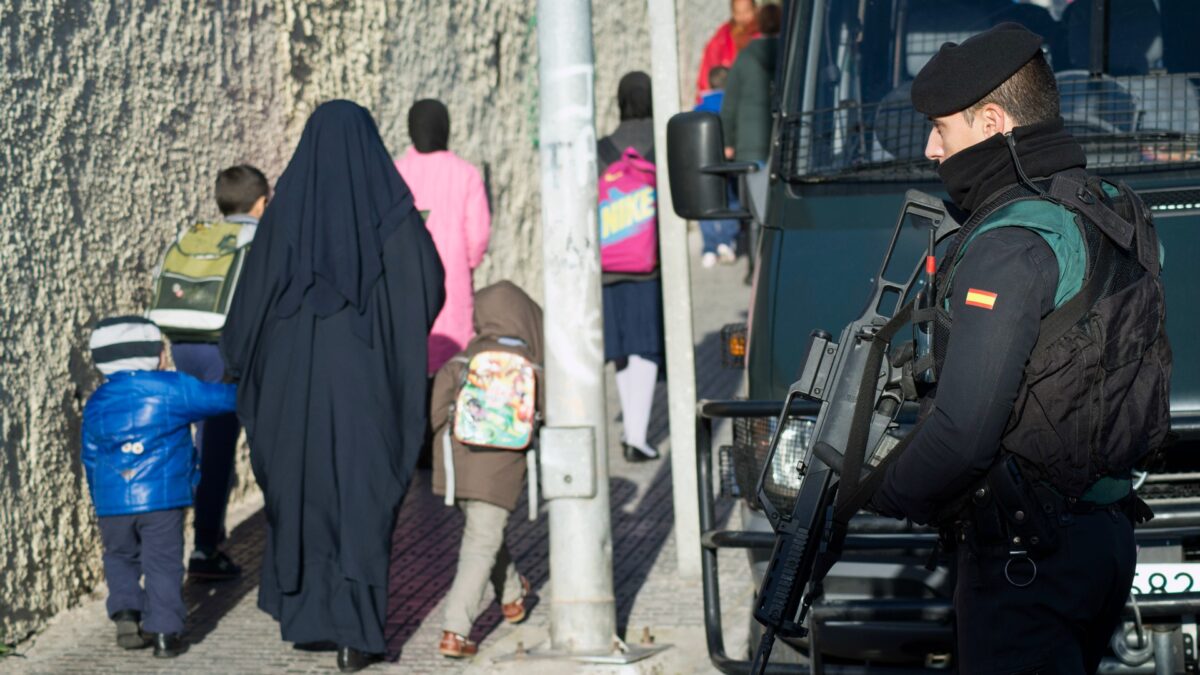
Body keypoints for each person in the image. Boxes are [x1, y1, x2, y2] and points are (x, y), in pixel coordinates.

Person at [868, 24, 1171, 674]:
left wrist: (874, 489)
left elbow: (963, 433)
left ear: (992, 121)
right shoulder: (1108, 208)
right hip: (1105, 541)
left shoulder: (1009, 242)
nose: (929, 148)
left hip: (1028, 559)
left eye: (941, 130)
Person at [220, 100, 445, 673]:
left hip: (293, 396)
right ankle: (355, 633)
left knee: (305, 497)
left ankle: (311, 620)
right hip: (367, 390)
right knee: (362, 500)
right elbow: (430, 288)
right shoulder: (393, 218)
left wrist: (252, 367)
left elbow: (246, 313)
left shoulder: (283, 217)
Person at [82, 316, 237, 658]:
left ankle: (125, 611)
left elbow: (90, 455)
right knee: (162, 563)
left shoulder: (97, 401)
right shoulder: (173, 388)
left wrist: (99, 496)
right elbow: (223, 399)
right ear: (153, 355)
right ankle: (165, 632)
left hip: (112, 503)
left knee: (119, 556)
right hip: (162, 499)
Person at [429, 281, 541, 658]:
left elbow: (436, 410)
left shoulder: (462, 361)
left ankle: (512, 598)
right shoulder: (532, 367)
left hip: (457, 469)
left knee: (485, 534)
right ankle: (455, 631)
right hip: (501, 471)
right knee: (481, 543)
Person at [171, 164, 269, 582]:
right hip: (223, 353)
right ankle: (205, 547)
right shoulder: (258, 239)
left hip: (184, 344)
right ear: (262, 202)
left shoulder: (200, 235)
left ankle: (195, 530)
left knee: (200, 442)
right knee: (219, 447)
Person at [395, 99, 492, 376]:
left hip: (404, 286)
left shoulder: (395, 172)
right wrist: (466, 262)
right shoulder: (466, 174)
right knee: (452, 368)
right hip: (453, 284)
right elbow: (478, 237)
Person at [599, 72, 665, 463]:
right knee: (645, 348)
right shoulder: (660, 142)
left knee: (624, 349)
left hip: (609, 265)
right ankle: (636, 437)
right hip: (649, 265)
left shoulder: (603, 147)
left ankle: (632, 430)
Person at [720, 3, 782, 163]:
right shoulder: (792, 57)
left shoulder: (745, 57)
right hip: (786, 144)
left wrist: (727, 143)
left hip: (750, 146)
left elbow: (730, 105)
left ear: (759, 23)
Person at [695, 66, 739, 268]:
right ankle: (726, 241)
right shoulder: (733, 104)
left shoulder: (701, 106)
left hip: (705, 162)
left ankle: (710, 248)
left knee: (705, 205)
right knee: (731, 200)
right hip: (729, 160)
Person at [695, 0, 759, 102]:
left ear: (755, 9)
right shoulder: (724, 36)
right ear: (733, 13)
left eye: (747, 11)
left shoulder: (762, 34)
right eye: (738, 13)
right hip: (727, 98)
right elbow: (707, 70)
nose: (742, 17)